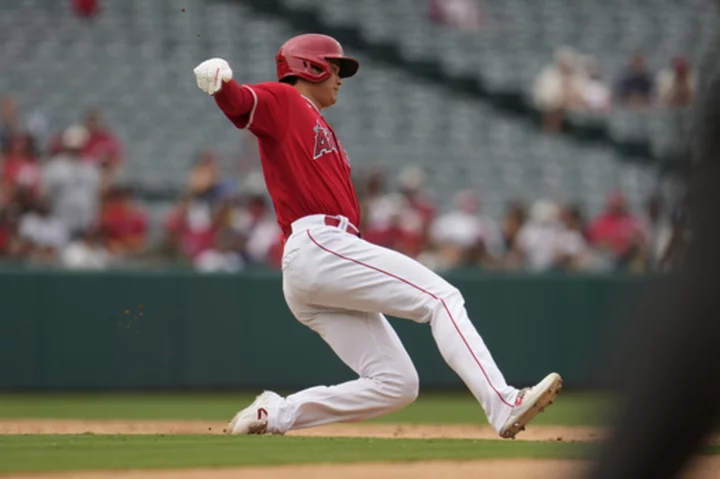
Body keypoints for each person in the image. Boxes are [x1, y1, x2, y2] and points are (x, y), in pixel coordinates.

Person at [193, 33, 562, 439]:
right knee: (442, 298)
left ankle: (275, 414)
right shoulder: (285, 101)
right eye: (334, 67)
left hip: (317, 261)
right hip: (320, 244)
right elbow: (241, 104)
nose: (340, 77)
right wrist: (221, 83)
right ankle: (503, 401)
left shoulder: (317, 121)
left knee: (398, 384)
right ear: (309, 67)